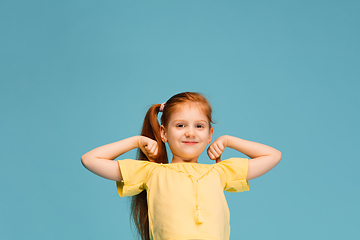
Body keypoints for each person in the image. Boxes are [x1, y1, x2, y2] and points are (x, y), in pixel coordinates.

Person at [81, 92, 281, 240]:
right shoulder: (152, 173)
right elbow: (90, 160)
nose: (190, 133)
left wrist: (230, 141)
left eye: (199, 126)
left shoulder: (220, 172)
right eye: (180, 125)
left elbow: (273, 155)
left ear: (210, 134)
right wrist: (135, 141)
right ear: (163, 133)